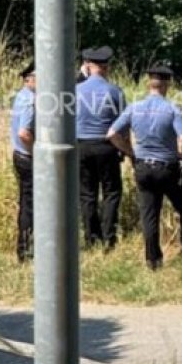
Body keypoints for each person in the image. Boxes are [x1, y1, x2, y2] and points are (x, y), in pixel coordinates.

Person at [106, 63, 182, 270]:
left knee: (149, 214)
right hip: (167, 167)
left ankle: (153, 260)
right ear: (167, 83)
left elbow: (111, 134)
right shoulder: (172, 109)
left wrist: (131, 152)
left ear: (149, 83)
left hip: (143, 167)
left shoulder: (134, 108)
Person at [76, 46, 126, 250]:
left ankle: (91, 237)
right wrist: (125, 149)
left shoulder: (75, 90)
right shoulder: (114, 91)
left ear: (88, 66)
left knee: (87, 193)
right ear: (107, 67)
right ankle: (109, 237)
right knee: (111, 191)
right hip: (106, 146)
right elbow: (122, 125)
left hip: (81, 146)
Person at [10, 63, 36, 262]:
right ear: (30, 79)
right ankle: (25, 250)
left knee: (27, 202)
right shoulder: (30, 100)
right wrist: (39, 153)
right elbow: (24, 133)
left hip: (20, 155)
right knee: (30, 205)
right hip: (29, 157)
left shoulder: (21, 95)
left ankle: (25, 247)